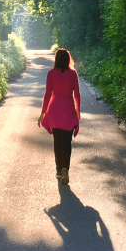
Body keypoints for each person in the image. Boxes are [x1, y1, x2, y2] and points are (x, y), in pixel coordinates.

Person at [37, 48, 81, 185]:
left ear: (56, 59)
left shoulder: (51, 74)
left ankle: (58, 171)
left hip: (54, 111)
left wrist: (43, 112)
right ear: (68, 59)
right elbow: (77, 95)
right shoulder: (73, 74)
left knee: (57, 143)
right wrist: (77, 113)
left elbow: (48, 94)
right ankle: (65, 168)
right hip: (68, 111)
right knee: (67, 143)